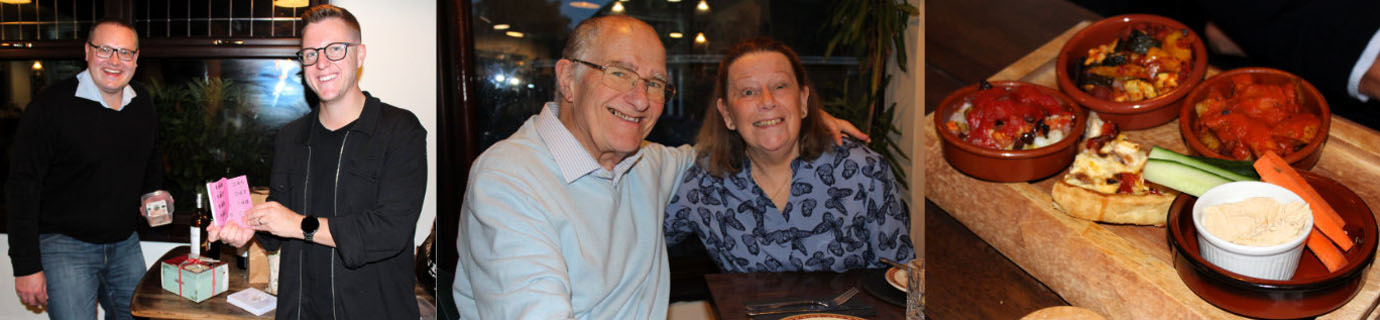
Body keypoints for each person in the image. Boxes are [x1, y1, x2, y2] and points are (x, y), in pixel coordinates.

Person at [453, 16, 867, 319]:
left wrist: (795, 117)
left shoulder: (643, 163)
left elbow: (718, 147)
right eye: (620, 73)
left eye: (655, 83)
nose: (640, 99)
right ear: (567, 79)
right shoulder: (509, 180)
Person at [208, 4, 428, 319]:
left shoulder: (399, 130)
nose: (321, 62)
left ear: (360, 54)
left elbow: (389, 231)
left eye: (335, 49)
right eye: (310, 53)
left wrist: (300, 225)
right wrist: (249, 227)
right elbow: (276, 228)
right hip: (301, 311)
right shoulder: (291, 137)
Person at [665, 37, 913, 273]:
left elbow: (903, 280)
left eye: (780, 86)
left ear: (803, 100)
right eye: (748, 92)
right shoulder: (703, 185)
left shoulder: (863, 171)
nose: (767, 101)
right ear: (727, 113)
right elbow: (638, 245)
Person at [5, 19, 168, 319]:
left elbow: (151, 155)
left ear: (136, 58)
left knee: (145, 316)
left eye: (125, 52)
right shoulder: (50, 107)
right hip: (64, 247)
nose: (115, 61)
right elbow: (22, 187)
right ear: (87, 51)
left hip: (124, 242)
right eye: (105, 49)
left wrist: (152, 192)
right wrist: (26, 266)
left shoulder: (142, 101)